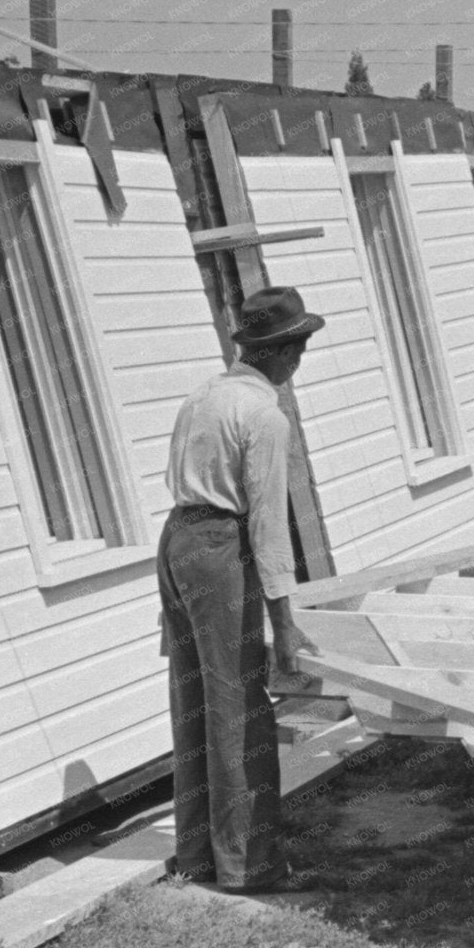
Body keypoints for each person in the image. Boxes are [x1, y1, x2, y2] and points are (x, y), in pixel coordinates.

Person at [158, 286, 322, 894]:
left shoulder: (204, 395)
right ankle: (247, 865)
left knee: (195, 699)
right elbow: (268, 525)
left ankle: (200, 854)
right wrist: (285, 626)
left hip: (177, 540)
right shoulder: (263, 415)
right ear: (281, 353)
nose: (300, 361)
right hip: (218, 548)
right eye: (298, 349)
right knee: (239, 706)